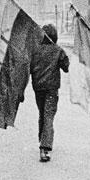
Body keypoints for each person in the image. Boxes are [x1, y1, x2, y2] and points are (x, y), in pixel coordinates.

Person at [29, 23, 70, 163]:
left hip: (38, 88)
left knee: (42, 113)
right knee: (49, 115)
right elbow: (66, 68)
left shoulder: (34, 50)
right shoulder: (58, 50)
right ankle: (45, 147)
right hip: (52, 88)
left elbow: (27, 69)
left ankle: (42, 139)